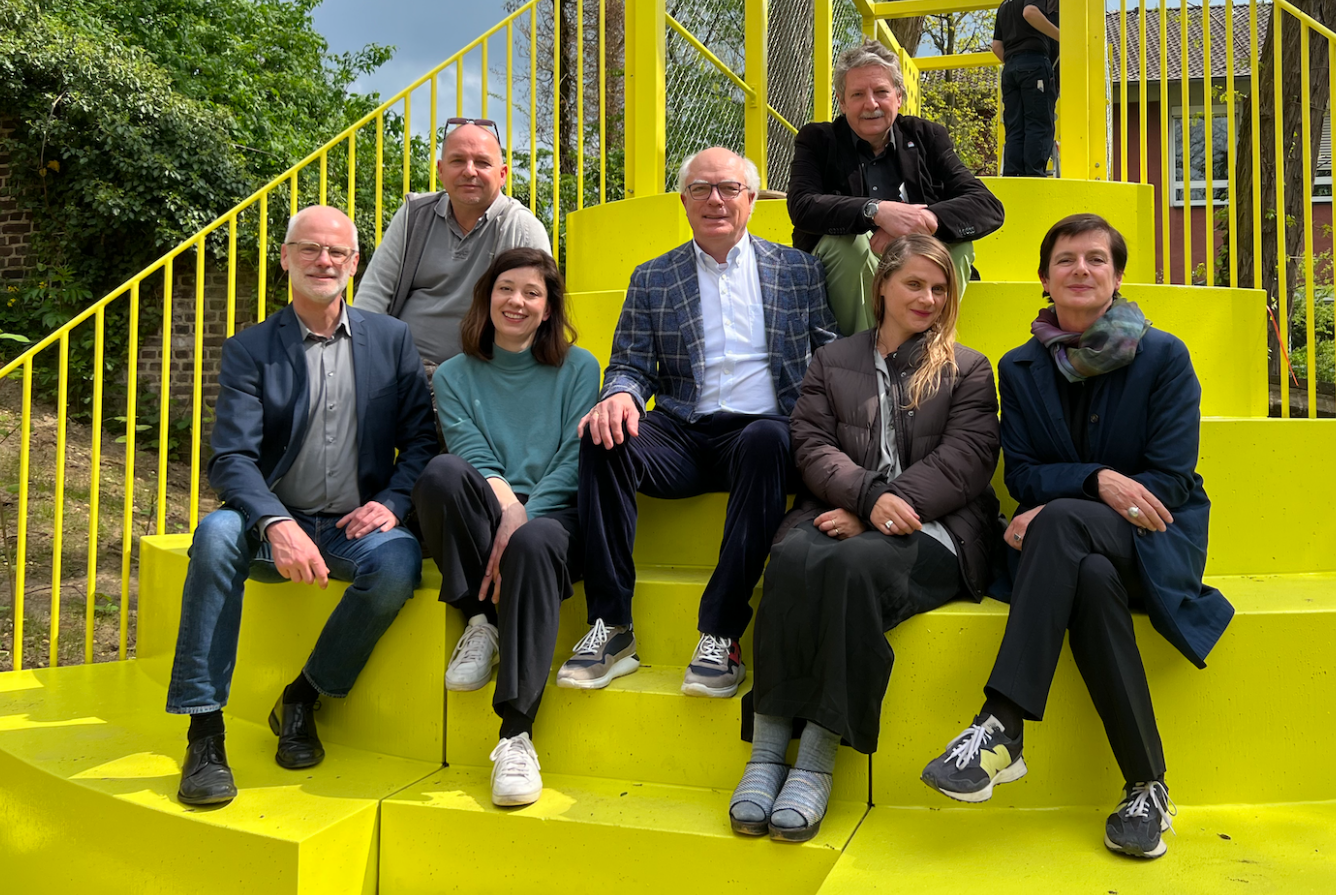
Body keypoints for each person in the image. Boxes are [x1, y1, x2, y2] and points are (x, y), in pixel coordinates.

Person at [918, 213, 1233, 860]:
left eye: (1096, 259)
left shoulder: (1164, 356)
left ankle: (1002, 720)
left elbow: (1168, 482)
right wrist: (1098, 482)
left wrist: (1075, 496)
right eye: (1066, 260)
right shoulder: (1021, 366)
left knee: (1058, 522)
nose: (1081, 270)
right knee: (1086, 576)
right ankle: (1147, 785)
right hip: (1076, 553)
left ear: (1117, 278)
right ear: (1044, 278)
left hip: (1153, 541)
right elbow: (1025, 473)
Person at [729, 234, 1001, 842]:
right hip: (842, 510)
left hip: (941, 528)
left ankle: (817, 761)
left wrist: (886, 506)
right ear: (881, 285)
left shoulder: (969, 367)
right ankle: (768, 752)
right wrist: (866, 499)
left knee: (853, 570)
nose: (929, 298)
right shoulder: (832, 360)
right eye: (915, 284)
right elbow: (810, 443)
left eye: (939, 288)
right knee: (793, 556)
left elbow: (968, 459)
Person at [167, 205, 438, 806]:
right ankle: (204, 732)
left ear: (354, 264)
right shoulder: (250, 348)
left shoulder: (391, 340)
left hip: (352, 522)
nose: (324, 261)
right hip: (270, 521)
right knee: (213, 536)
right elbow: (231, 458)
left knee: (396, 565)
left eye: (337, 252)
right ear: (286, 258)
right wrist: (275, 522)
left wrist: (393, 502)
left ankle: (303, 697)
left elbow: (421, 440)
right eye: (310, 249)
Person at [568, 146, 838, 699]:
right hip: (683, 431)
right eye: (701, 190)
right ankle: (611, 626)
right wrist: (618, 395)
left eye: (729, 188)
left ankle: (720, 632)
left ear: (752, 199)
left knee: (767, 438)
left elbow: (827, 355)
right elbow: (629, 364)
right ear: (684, 201)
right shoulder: (653, 277)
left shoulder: (798, 270)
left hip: (762, 434)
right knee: (603, 438)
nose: (715, 200)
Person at [410, 247, 600, 807]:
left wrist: (526, 514)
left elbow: (572, 457)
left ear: (548, 310)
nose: (517, 301)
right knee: (442, 474)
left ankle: (516, 733)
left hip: (558, 515)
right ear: (486, 298)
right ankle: (480, 620)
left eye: (532, 293)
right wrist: (508, 511)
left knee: (535, 542)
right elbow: (470, 454)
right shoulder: (452, 375)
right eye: (505, 289)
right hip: (490, 505)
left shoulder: (579, 367)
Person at [786, 39, 1005, 337]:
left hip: (914, 261)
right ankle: (861, 359)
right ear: (842, 101)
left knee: (961, 247)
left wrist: (921, 222)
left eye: (881, 92)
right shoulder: (818, 140)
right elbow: (803, 205)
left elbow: (987, 206)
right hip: (852, 268)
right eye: (858, 94)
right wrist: (875, 211)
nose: (871, 104)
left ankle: (926, 350)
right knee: (851, 247)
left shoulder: (927, 136)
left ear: (898, 97)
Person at [354, 119, 552, 368]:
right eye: (458, 161)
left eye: (482, 162)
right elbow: (374, 294)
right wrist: (362, 357)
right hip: (397, 368)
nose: (469, 171)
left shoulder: (520, 228)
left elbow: (533, 313)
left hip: (476, 377)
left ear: (502, 174)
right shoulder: (413, 215)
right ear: (440, 170)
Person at [992, 0, 1060, 177]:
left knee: (1015, 126)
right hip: (1034, 62)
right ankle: (1034, 175)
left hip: (1010, 69)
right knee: (1038, 121)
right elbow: (1030, 12)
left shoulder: (1004, 6)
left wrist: (1015, 64)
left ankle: (1013, 175)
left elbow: (996, 47)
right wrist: (1062, 37)